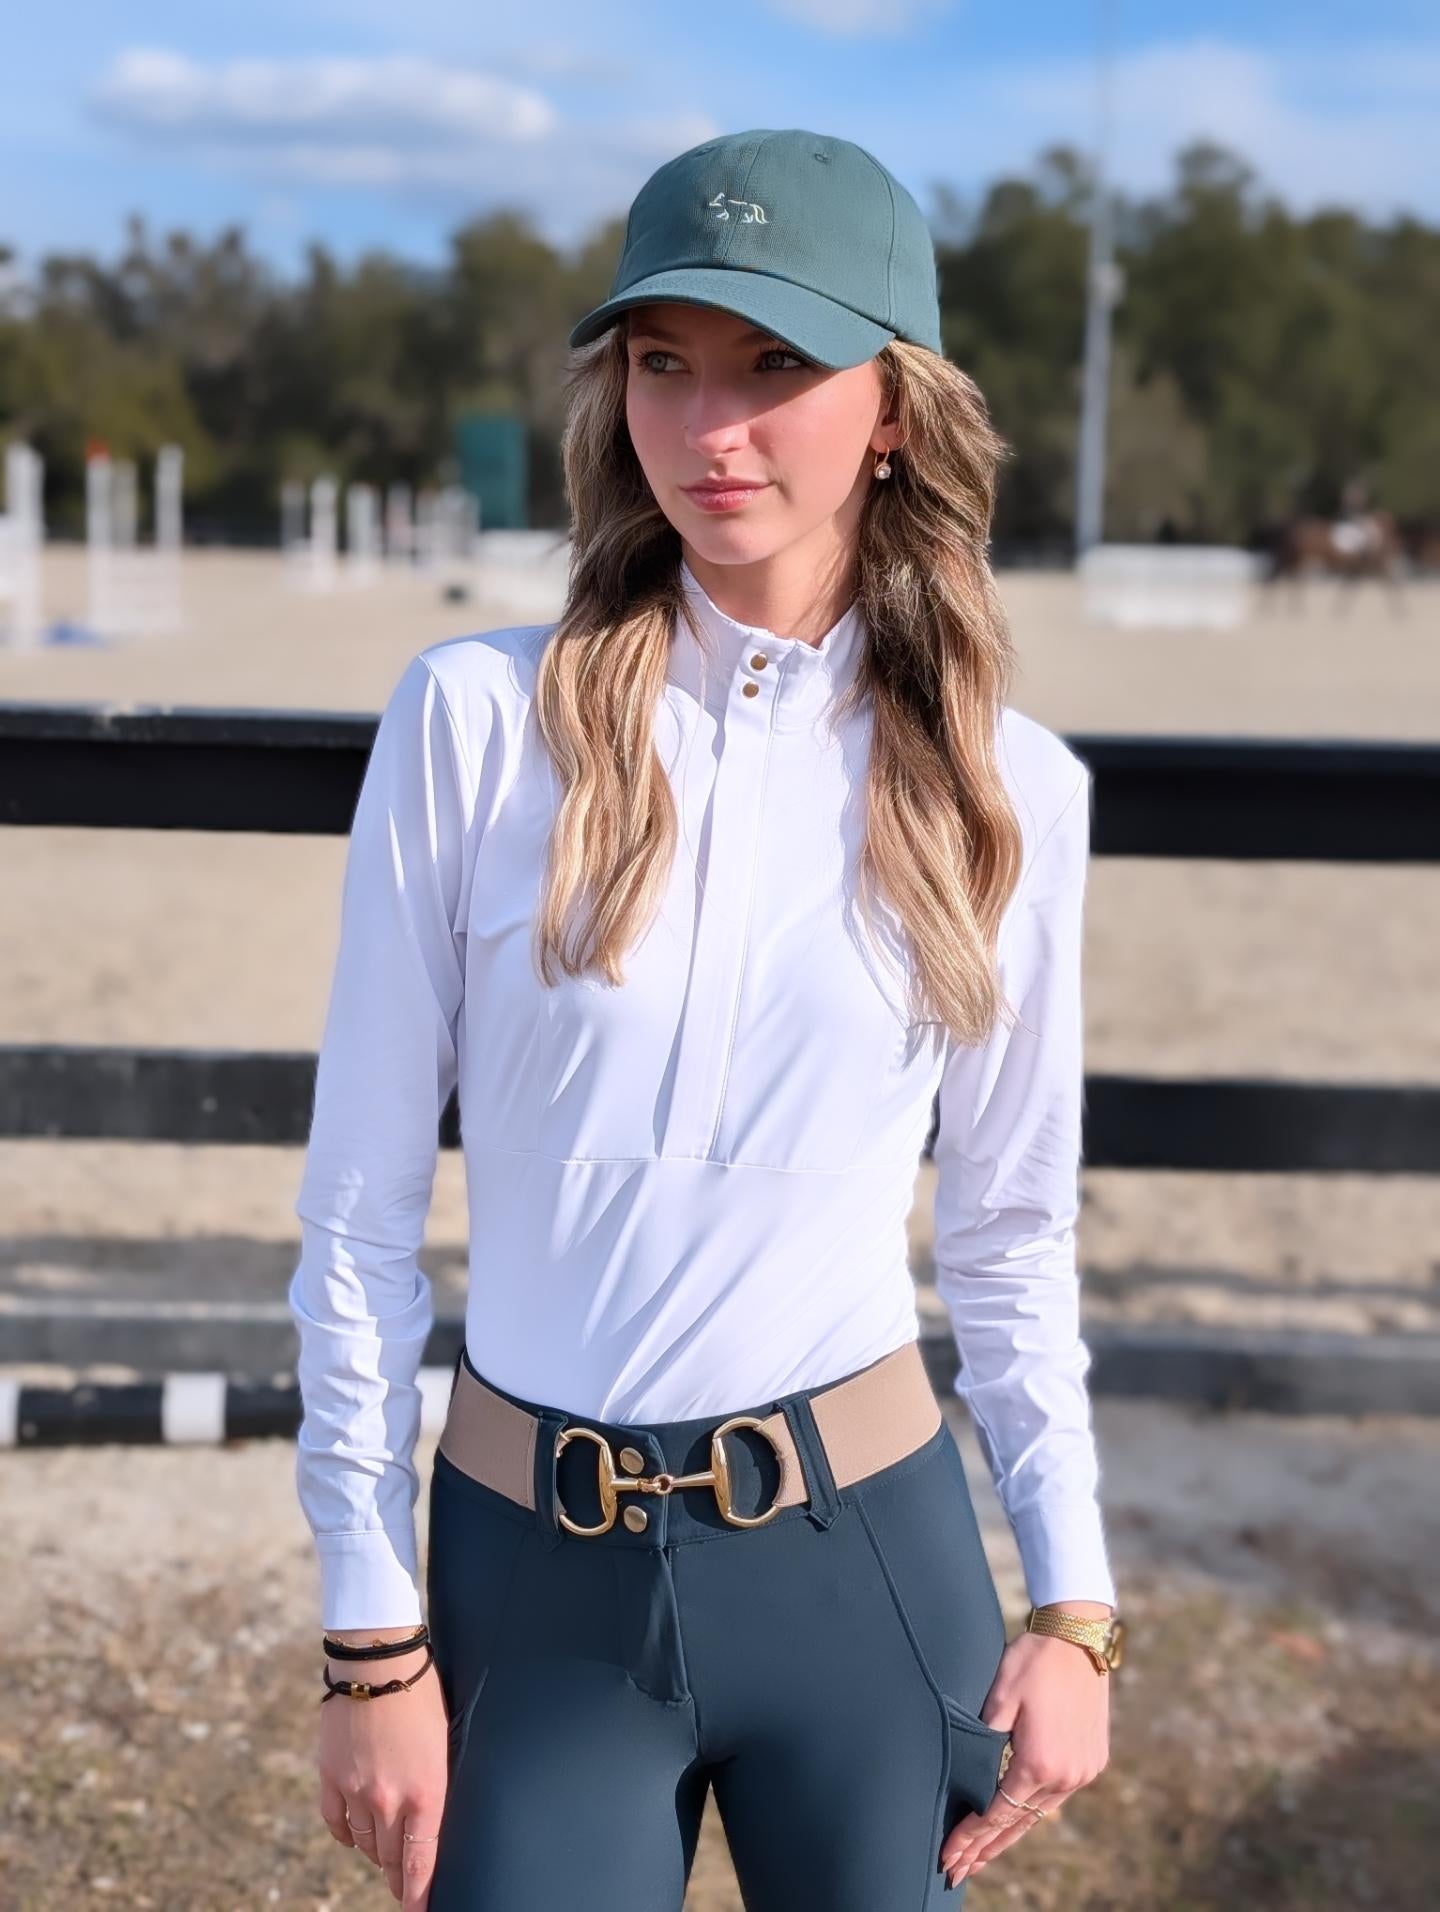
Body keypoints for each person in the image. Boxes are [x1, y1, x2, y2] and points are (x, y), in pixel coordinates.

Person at [287, 127, 1123, 1911]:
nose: (709, 426)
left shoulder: (1008, 790)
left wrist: (1075, 1604)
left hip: (869, 1568)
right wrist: (368, 1630)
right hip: (534, 1579)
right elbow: (358, 1214)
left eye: (774, 364)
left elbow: (1008, 1228)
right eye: (663, 362)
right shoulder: (472, 723)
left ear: (892, 409)